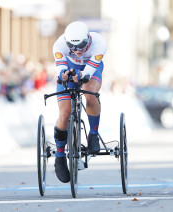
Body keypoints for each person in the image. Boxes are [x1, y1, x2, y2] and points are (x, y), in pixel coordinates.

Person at [52, 21, 107, 183]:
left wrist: (82, 75)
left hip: (91, 68)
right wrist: (64, 74)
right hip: (69, 68)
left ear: (88, 39)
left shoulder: (99, 42)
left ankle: (93, 134)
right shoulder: (59, 44)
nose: (77, 51)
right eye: (72, 47)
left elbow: (89, 72)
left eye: (81, 46)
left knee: (91, 95)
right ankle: (60, 156)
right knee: (64, 114)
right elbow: (60, 68)